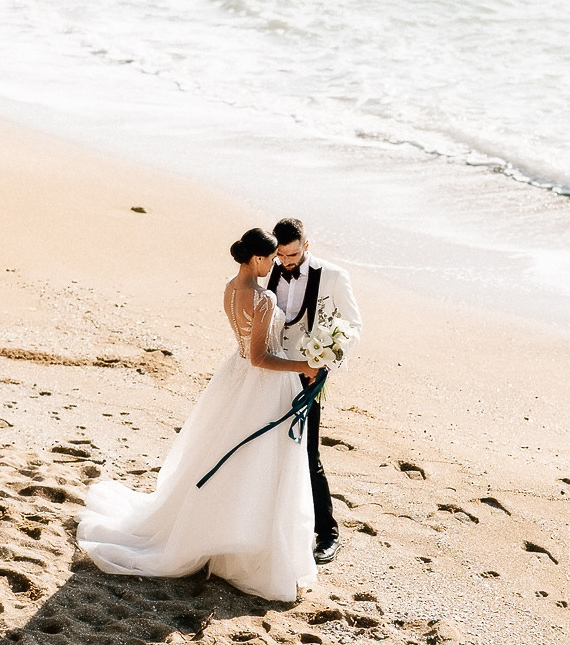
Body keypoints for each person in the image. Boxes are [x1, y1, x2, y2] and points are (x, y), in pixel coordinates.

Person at [77, 228, 320, 603]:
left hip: (234, 378)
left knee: (225, 456)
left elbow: (245, 349)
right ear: (257, 259)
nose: (273, 265)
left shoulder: (230, 287)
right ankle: (241, 547)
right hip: (262, 386)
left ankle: (221, 534)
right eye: (271, 259)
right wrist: (303, 365)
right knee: (257, 463)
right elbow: (260, 357)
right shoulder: (263, 299)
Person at [267, 218, 362, 565]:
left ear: (307, 246)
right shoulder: (271, 271)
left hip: (309, 378)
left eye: (292, 254)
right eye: (281, 255)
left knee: (308, 453)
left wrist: (326, 364)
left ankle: (328, 533)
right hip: (273, 370)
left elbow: (353, 325)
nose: (286, 261)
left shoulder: (334, 276)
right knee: (270, 449)